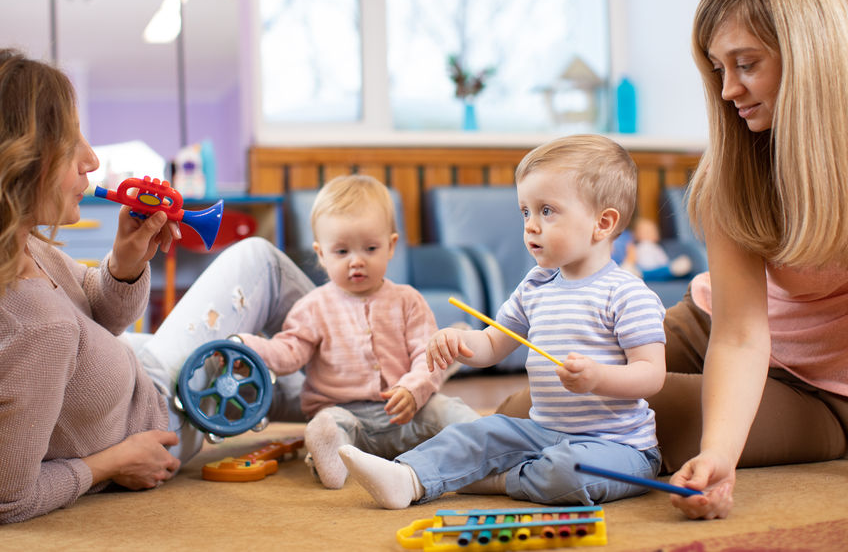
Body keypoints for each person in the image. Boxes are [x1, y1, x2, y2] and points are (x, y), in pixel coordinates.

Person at [497, 0, 848, 521]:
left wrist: (717, 455)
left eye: (747, 64)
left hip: (819, 387)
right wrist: (722, 448)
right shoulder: (736, 164)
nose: (729, 89)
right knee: (538, 401)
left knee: (566, 424)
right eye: (717, 68)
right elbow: (739, 333)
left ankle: (443, 434)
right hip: (713, 325)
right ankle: (413, 432)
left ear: (813, 54)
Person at [0, 49, 314, 524]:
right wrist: (109, 464)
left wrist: (124, 264)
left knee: (302, 382)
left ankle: (376, 378)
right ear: (22, 163)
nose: (91, 159)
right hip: (161, 407)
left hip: (137, 368)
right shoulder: (36, 330)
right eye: (71, 144)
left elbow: (100, 318)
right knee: (261, 262)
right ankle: (375, 354)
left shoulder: (24, 246)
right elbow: (10, 497)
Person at [338, 135, 667, 509]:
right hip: (542, 432)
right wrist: (459, 343)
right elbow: (493, 345)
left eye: (547, 211)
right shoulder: (536, 285)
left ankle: (499, 479)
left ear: (602, 223)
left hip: (618, 448)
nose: (530, 225)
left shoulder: (628, 294)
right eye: (525, 211)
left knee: (567, 472)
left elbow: (651, 375)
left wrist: (599, 378)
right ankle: (408, 477)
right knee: (477, 433)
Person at [236, 175, 479, 489]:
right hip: (347, 417)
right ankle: (334, 461)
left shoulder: (408, 300)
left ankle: (487, 441)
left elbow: (426, 356)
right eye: (341, 252)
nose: (356, 262)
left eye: (370, 248)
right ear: (321, 254)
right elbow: (289, 351)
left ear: (391, 246)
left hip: (407, 411)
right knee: (328, 425)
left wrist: (413, 389)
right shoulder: (313, 306)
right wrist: (250, 347)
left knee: (447, 409)